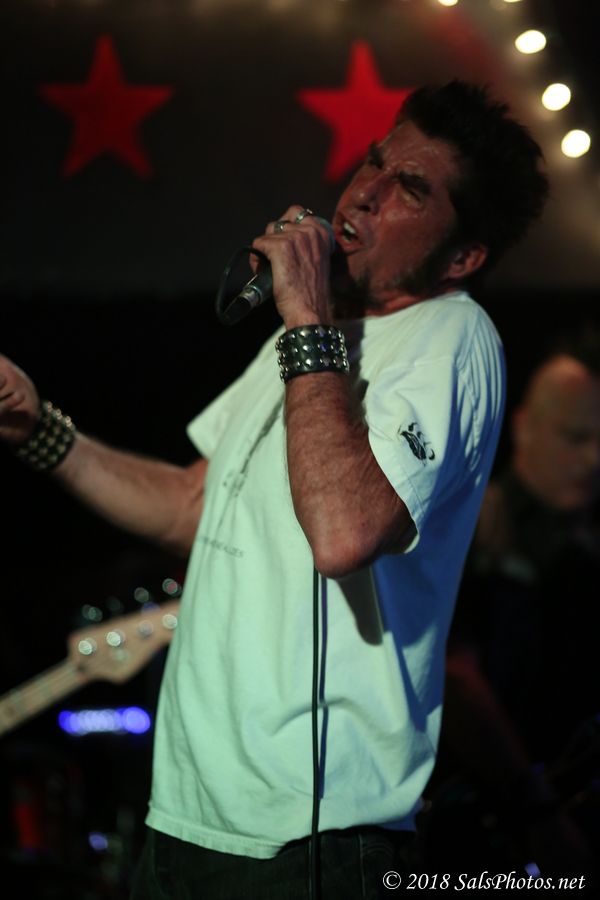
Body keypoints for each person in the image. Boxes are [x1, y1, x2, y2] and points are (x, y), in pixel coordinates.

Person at [0, 81, 548, 898]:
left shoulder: (450, 337)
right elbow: (196, 506)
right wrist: (39, 431)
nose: (363, 192)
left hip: (306, 838)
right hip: (188, 814)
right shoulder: (313, 339)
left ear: (463, 256)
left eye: (408, 188)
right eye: (374, 162)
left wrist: (306, 322)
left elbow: (344, 534)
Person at [422, 328, 600, 885]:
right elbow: (454, 674)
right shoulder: (475, 528)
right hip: (479, 830)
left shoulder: (585, 539)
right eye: (575, 437)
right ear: (523, 427)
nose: (593, 458)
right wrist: (538, 813)